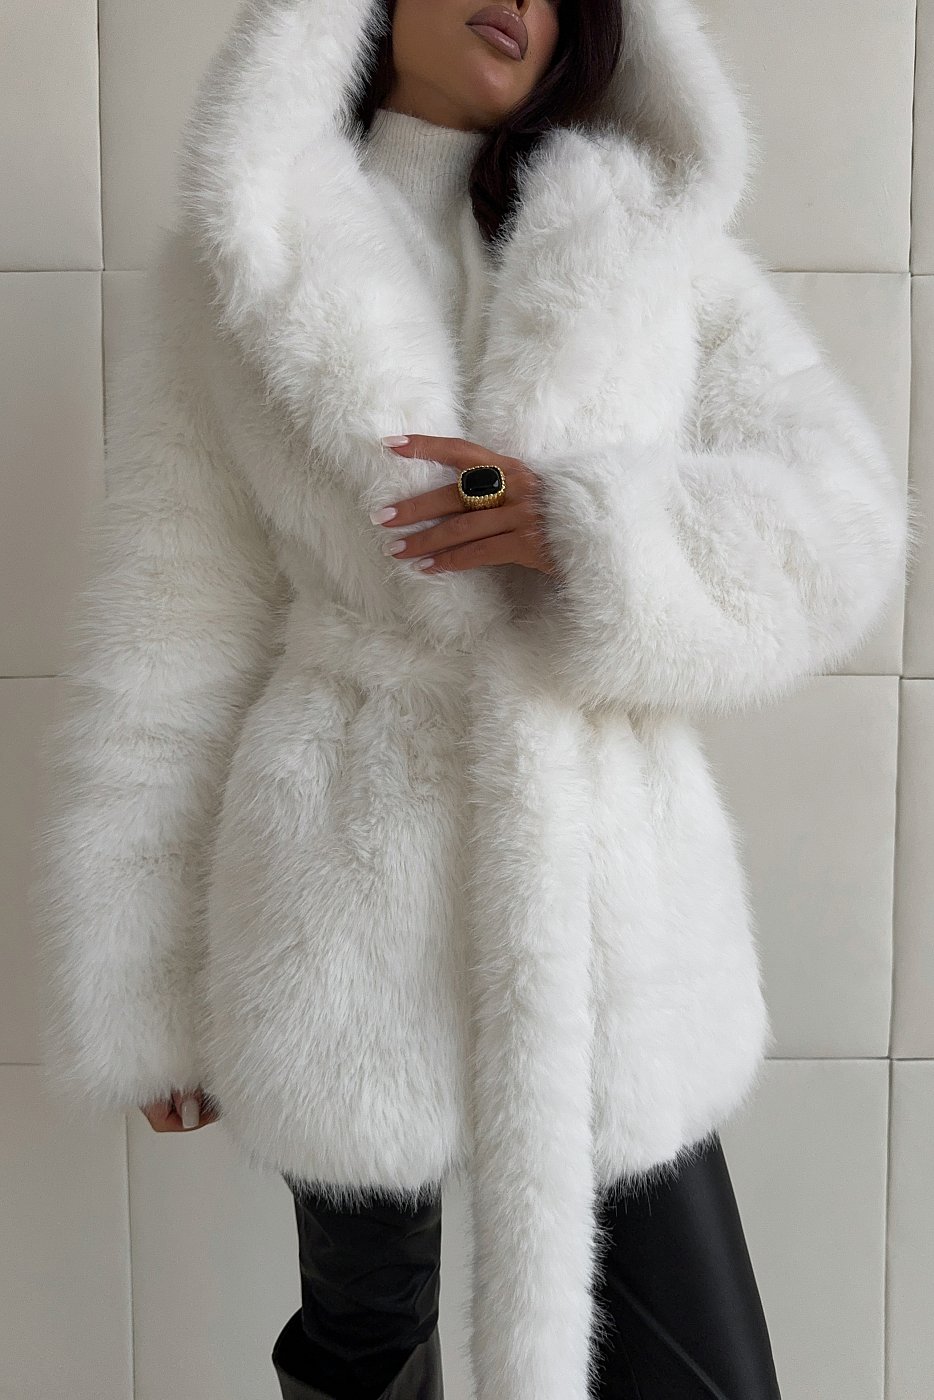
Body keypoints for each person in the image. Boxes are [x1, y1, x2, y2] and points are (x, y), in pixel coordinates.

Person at [29, 0, 914, 1397]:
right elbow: (172, 635)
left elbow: (841, 520)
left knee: (705, 1365)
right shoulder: (241, 258)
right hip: (339, 894)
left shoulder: (647, 241)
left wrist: (593, 529)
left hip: (605, 903)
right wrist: (145, 983)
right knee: (366, 1340)